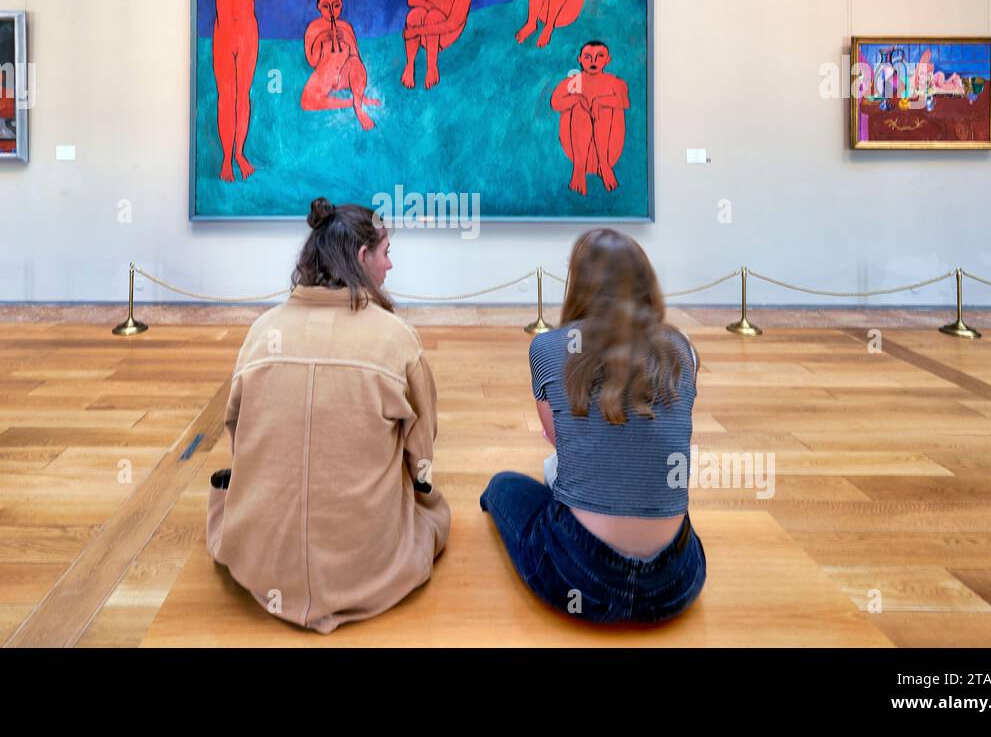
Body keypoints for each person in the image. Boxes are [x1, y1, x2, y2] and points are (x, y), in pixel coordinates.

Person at [206, 197, 451, 633]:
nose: (390, 265)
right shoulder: (397, 340)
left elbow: (238, 436)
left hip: (261, 566)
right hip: (368, 575)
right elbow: (422, 461)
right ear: (361, 257)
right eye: (386, 252)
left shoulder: (262, 333)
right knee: (428, 510)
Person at [480, 229, 706, 624]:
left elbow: (555, 437)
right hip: (675, 583)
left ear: (577, 285)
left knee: (502, 486)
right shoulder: (682, 349)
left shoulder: (548, 346)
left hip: (577, 575)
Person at [208, 0, 278, 182]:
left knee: (243, 96)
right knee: (227, 97)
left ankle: (239, 153)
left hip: (248, 34)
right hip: (225, 34)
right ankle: (226, 159)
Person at [550, 41, 629, 194]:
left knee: (604, 107)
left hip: (607, 148)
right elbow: (555, 103)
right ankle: (579, 170)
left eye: (599, 57)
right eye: (588, 57)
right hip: (577, 146)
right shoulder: (574, 82)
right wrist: (577, 99)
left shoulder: (614, 82)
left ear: (608, 60)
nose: (593, 62)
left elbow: (624, 102)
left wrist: (599, 102)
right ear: (580, 60)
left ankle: (604, 165)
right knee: (580, 106)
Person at [301, 0, 379, 131]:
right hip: (325, 73)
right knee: (306, 102)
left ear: (341, 6)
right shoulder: (313, 28)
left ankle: (359, 107)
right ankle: (355, 101)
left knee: (356, 64)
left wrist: (347, 41)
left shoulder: (346, 26)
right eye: (326, 6)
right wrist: (320, 40)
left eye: (336, 5)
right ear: (318, 7)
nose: (331, 10)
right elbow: (312, 61)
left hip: (344, 74)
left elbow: (356, 57)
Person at [400, 0, 472, 90]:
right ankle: (410, 65)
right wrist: (431, 6)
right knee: (414, 14)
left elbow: (453, 23)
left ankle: (432, 67)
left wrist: (417, 31)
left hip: (446, 34)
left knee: (434, 16)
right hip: (424, 31)